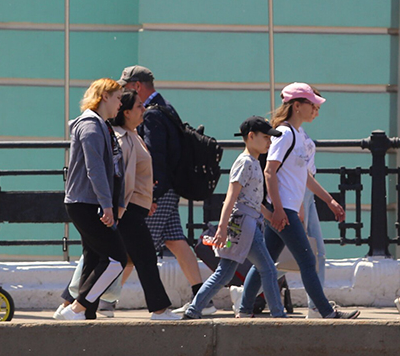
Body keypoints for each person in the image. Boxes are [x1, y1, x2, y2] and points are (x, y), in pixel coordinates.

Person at [54, 90, 180, 320]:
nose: (144, 110)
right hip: (126, 210)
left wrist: (147, 200)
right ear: (126, 112)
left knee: (95, 257)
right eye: (139, 106)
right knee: (140, 257)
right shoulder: (122, 137)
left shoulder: (133, 135)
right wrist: (118, 209)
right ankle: (159, 309)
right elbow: (121, 177)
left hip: (132, 208)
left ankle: (75, 307)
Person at [239, 82, 359, 319]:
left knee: (266, 261)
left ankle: (243, 310)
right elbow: (269, 172)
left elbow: (304, 176)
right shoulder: (284, 134)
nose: (316, 110)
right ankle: (326, 312)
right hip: (283, 210)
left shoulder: (299, 135)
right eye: (312, 105)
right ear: (297, 106)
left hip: (287, 209)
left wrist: (329, 201)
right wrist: (279, 210)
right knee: (307, 260)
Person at [118, 65, 210, 313]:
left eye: (126, 87)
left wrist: (151, 194)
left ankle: (104, 299)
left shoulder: (150, 114)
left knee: (134, 246)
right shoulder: (166, 107)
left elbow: (154, 155)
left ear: (137, 86)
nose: (123, 93)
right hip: (171, 187)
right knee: (176, 241)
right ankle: (203, 299)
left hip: (159, 190)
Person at [180, 117, 288, 319]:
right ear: (250, 136)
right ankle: (278, 315)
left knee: (226, 273)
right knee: (267, 269)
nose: (269, 142)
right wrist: (221, 228)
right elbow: (232, 196)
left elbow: (251, 200)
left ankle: (194, 310)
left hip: (247, 222)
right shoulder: (245, 162)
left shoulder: (253, 162)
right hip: (244, 224)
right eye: (265, 137)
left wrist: (269, 216)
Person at [57, 78, 130, 321]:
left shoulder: (100, 125)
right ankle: (77, 308)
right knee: (116, 259)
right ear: (104, 96)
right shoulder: (91, 125)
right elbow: (95, 169)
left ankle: (84, 313)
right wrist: (107, 205)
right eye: (118, 97)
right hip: (87, 203)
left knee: (94, 257)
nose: (121, 103)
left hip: (88, 202)